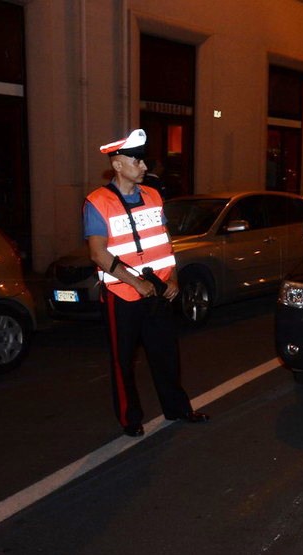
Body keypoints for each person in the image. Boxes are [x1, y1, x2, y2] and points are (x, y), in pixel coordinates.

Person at [83, 129, 209, 438]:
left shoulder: (153, 195)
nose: (143, 167)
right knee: (122, 361)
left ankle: (178, 409)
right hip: (122, 294)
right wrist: (136, 283)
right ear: (117, 165)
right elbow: (98, 253)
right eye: (136, 161)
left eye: (143, 161)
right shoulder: (97, 202)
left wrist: (174, 277)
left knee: (166, 355)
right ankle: (130, 419)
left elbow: (165, 242)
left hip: (160, 291)